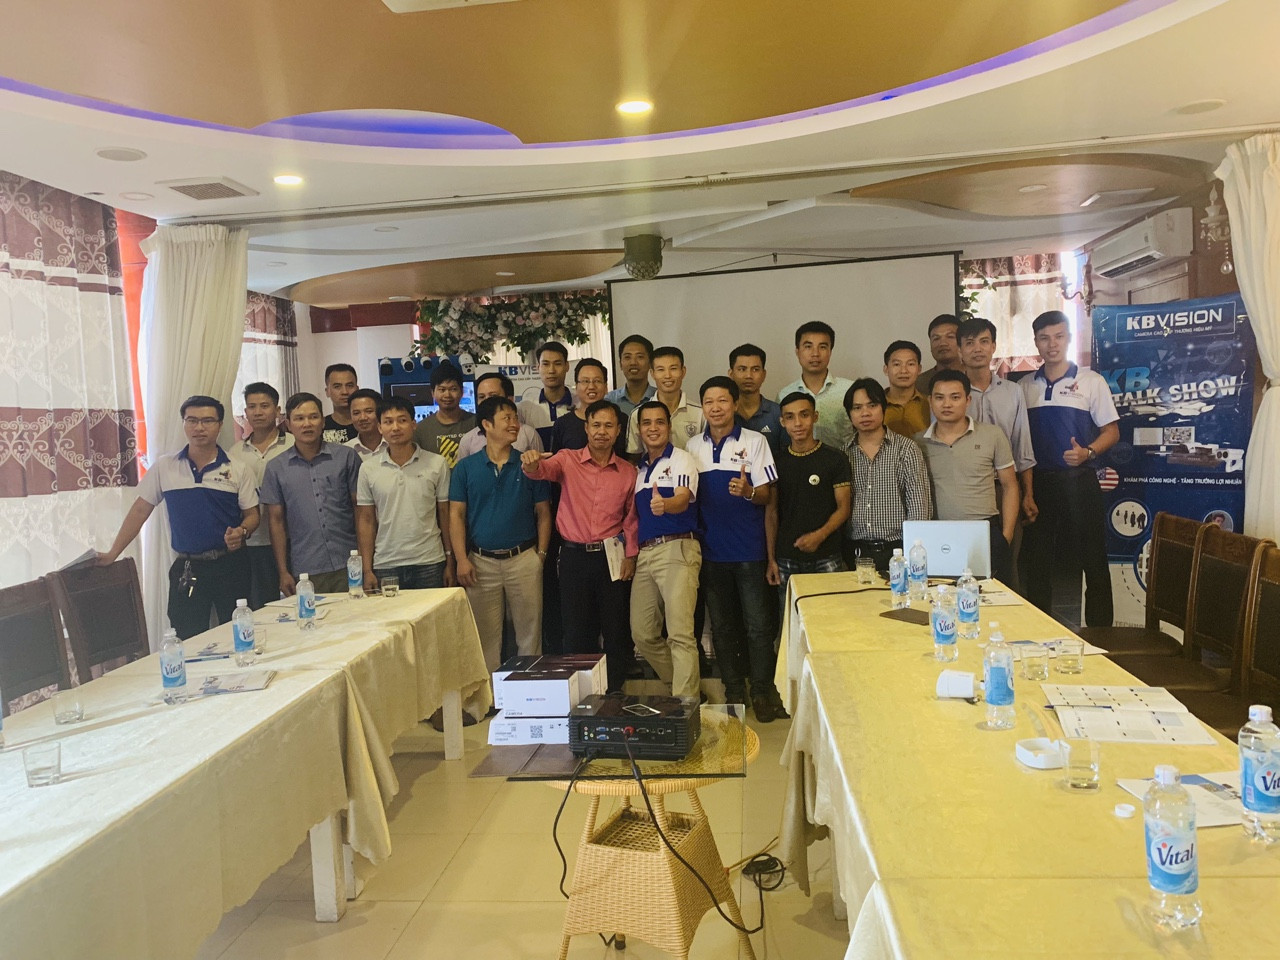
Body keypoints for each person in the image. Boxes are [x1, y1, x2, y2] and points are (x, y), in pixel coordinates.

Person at [98, 396, 259, 639]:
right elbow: (140, 511)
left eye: (207, 421)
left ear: (220, 425)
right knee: (186, 637)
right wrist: (113, 552)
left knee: (238, 634)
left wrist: (242, 532)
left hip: (231, 565)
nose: (199, 427)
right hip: (188, 567)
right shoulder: (165, 467)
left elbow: (253, 515)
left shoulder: (238, 468)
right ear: (183, 423)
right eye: (192, 420)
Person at [687, 376, 786, 722]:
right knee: (723, 628)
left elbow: (768, 497)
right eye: (709, 402)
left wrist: (748, 491)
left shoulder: (755, 441)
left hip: (750, 551)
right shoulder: (692, 447)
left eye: (722, 401)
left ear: (734, 404)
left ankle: (761, 690)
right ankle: (733, 692)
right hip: (710, 553)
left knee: (759, 627)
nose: (716, 408)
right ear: (703, 407)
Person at [523, 400, 638, 693]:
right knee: (576, 631)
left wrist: (630, 555)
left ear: (618, 431)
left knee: (615, 630)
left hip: (611, 558)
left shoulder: (628, 472)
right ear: (586, 428)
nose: (602, 432)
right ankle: (582, 694)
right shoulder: (567, 459)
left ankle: (614, 693)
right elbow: (541, 470)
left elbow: (631, 519)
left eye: (608, 426)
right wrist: (532, 463)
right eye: (596, 425)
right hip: (574, 558)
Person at [1020, 309, 1119, 627]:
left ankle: (1101, 634)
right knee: (1037, 562)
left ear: (1069, 339)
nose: (1052, 344)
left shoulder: (1091, 381)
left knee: (1094, 559)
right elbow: (1021, 445)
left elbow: (1112, 431)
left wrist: (1088, 452)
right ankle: (1038, 631)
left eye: (1059, 337)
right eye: (1044, 338)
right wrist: (1027, 491)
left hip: (1079, 481)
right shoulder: (1024, 386)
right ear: (1036, 342)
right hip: (1040, 484)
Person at [451, 396, 552, 694]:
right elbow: (456, 515)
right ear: (486, 424)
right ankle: (488, 700)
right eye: (506, 418)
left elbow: (544, 513)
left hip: (523, 557)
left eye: (515, 417)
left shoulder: (528, 464)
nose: (513, 423)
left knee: (530, 634)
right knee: (485, 638)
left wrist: (540, 555)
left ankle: (529, 695)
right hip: (480, 562)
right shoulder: (466, 468)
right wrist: (461, 559)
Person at [915, 371, 1019, 584]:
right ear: (930, 401)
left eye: (955, 397)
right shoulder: (918, 442)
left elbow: (1010, 486)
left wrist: (1006, 536)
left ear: (968, 400)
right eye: (939, 397)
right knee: (941, 597)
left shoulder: (992, 435)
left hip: (984, 531)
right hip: (938, 533)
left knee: (994, 598)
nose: (947, 404)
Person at [629, 400, 702, 700]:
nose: (653, 428)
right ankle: (682, 687)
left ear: (669, 427)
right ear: (639, 429)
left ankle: (686, 705)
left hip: (677, 547)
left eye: (659, 422)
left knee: (680, 634)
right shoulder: (638, 470)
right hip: (645, 554)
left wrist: (665, 504)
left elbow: (683, 498)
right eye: (647, 423)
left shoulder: (682, 459)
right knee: (642, 634)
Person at [261, 392, 363, 595]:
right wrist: (283, 571)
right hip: (306, 568)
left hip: (350, 562)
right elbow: (276, 522)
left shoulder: (346, 457)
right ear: (288, 424)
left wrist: (365, 561)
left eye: (313, 417)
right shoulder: (276, 468)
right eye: (299, 418)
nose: (307, 424)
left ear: (323, 421)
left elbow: (361, 510)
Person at [356, 396, 455, 592]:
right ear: (380, 428)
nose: (395, 428)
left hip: (430, 561)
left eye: (402, 420)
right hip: (386, 564)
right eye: (388, 422)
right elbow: (366, 520)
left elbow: (444, 514)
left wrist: (450, 561)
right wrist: (367, 569)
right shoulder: (368, 469)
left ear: (413, 424)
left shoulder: (437, 463)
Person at [765, 392, 852, 597]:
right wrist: (771, 559)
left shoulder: (835, 458)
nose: (798, 423)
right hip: (786, 557)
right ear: (782, 422)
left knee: (831, 613)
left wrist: (819, 536)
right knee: (790, 614)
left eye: (804, 415)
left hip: (827, 554)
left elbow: (844, 508)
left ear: (815, 416)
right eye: (790, 417)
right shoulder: (776, 461)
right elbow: (771, 512)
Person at [842, 378, 932, 571]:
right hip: (854, 552)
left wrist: (914, 553)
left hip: (897, 551)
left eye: (872, 405)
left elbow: (919, 507)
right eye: (857, 408)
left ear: (883, 408)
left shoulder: (906, 449)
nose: (865, 413)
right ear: (849, 414)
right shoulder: (843, 454)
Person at [957, 316, 1037, 522]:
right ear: (959, 351)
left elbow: (1022, 447)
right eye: (969, 343)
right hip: (965, 489)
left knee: (1007, 541)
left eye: (984, 342)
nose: (977, 349)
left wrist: (1028, 494)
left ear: (993, 346)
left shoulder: (1013, 391)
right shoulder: (951, 395)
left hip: (1006, 487)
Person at [227, 381, 294, 609]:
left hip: (292, 540)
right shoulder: (235, 453)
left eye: (264, 406)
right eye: (252, 407)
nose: (258, 412)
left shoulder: (293, 444)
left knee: (296, 603)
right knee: (261, 607)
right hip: (253, 544)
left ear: (277, 410)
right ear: (245, 412)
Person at [779, 321, 854, 451]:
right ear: (797, 352)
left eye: (822, 347)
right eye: (808, 347)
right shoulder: (784, 394)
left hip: (846, 461)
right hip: (799, 461)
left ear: (830, 351)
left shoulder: (850, 390)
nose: (815, 353)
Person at [626, 345, 704, 453]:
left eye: (673, 369)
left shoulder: (700, 414)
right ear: (652, 374)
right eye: (660, 370)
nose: (667, 375)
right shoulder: (637, 414)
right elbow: (634, 456)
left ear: (683, 371)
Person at [456, 372, 544, 459]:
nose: (487, 401)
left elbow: (541, 466)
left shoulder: (528, 435)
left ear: (510, 399)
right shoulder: (468, 440)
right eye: (481, 397)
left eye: (493, 396)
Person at [551, 358, 626, 455]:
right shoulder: (562, 424)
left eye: (597, 381)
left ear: (606, 387)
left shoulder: (622, 420)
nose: (591, 387)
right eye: (585, 381)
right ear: (576, 386)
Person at [412, 361, 475, 467]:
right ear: (433, 393)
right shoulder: (421, 430)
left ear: (462, 392)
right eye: (442, 389)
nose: (447, 395)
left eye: (453, 389)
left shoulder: (476, 423)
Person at [729, 343, 783, 452]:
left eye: (755, 369)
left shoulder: (778, 413)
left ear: (764, 374)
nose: (748, 376)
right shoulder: (723, 413)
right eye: (742, 369)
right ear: (731, 374)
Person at [523, 341, 575, 447]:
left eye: (557, 364)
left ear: (567, 366)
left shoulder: (580, 404)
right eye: (546, 364)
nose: (551, 370)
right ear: (538, 367)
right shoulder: (524, 409)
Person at [882, 340, 930, 438]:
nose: (903, 371)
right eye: (897, 364)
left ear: (919, 369)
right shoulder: (875, 405)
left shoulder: (930, 405)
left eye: (910, 364)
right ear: (886, 369)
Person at [605, 334, 656, 417]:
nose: (633, 363)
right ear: (620, 364)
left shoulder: (660, 397)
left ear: (650, 363)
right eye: (627, 357)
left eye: (640, 357)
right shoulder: (609, 400)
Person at [919, 314, 962, 388]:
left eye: (950, 337)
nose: (942, 343)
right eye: (936, 338)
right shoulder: (919, 383)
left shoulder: (975, 378)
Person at [345, 387, 388, 460]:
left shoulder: (394, 444)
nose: (363, 418)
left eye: (369, 411)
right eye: (356, 413)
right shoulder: (346, 451)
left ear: (380, 413)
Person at [321, 363, 360, 443]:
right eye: (337, 387)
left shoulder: (369, 423)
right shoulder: (320, 426)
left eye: (349, 385)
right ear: (327, 391)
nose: (345, 392)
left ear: (357, 389)